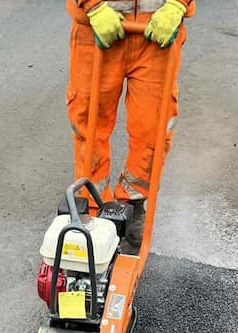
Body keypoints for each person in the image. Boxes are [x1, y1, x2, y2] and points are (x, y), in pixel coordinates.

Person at [66, 0, 196, 247]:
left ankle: (133, 201)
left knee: (154, 129)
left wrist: (177, 5)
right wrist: (93, 6)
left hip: (157, 33)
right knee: (89, 127)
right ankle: (93, 206)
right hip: (97, 28)